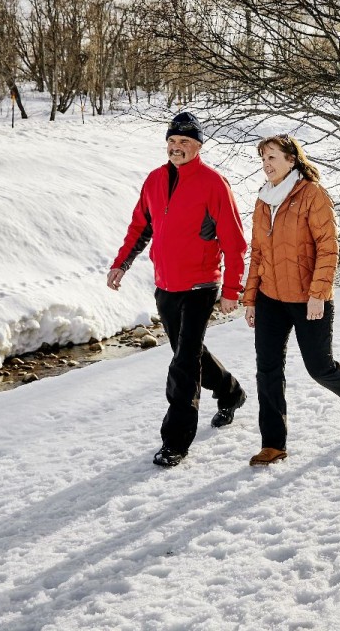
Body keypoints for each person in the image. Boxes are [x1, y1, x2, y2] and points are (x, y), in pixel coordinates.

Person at [107, 111, 249, 468]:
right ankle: (231, 392)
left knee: (184, 363)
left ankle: (176, 441)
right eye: (172, 142)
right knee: (191, 352)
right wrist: (121, 263)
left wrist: (232, 289)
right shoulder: (154, 180)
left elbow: (234, 242)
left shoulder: (214, 183)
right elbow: (141, 226)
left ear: (197, 146)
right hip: (166, 285)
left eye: (184, 142)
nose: (176, 148)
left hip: (201, 285)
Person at [241, 134, 340, 467]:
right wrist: (250, 298)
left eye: (272, 157)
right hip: (270, 298)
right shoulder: (263, 200)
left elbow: (328, 248)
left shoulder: (313, 195)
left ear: (291, 160)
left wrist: (318, 295)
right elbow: (257, 252)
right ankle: (273, 444)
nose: (266, 165)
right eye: (262, 159)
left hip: (308, 298)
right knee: (267, 370)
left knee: (319, 367)